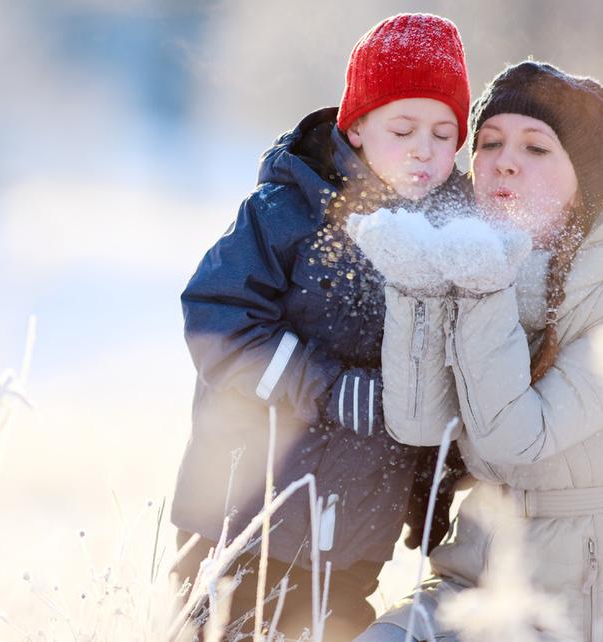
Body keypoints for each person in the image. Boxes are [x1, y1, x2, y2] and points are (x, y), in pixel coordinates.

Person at [354, 61, 603, 641]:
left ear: (583, 181)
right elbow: (421, 424)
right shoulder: (481, 263)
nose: (504, 160)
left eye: (536, 148)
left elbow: (516, 441)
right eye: (489, 143)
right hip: (478, 570)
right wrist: (416, 287)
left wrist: (482, 284)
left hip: (592, 597)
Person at [170, 13, 473, 641]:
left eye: (444, 133)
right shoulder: (291, 208)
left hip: (356, 534)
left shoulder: (459, 241)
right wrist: (328, 387)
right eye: (403, 127)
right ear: (357, 126)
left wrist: (431, 487)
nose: (425, 148)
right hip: (243, 512)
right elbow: (217, 319)